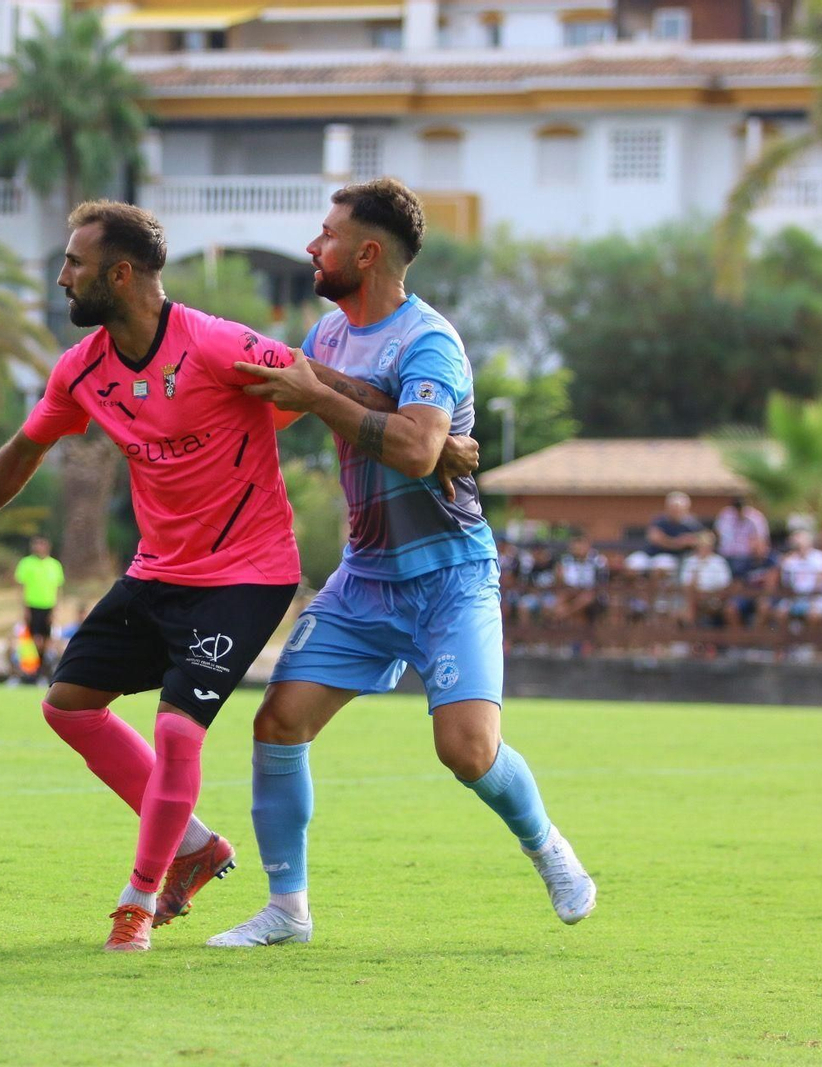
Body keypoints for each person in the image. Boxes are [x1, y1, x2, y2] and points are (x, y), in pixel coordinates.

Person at [0, 198, 478, 952]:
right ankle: (198, 845)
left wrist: (439, 442)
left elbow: (322, 381)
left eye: (74, 265)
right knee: (69, 706)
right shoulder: (81, 371)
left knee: (178, 729)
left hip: (248, 572)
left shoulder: (214, 344)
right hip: (159, 571)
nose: (61, 279)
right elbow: (20, 451)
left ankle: (136, 904)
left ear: (120, 274)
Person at [206, 178, 595, 949]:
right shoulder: (326, 336)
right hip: (364, 577)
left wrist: (320, 397)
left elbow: (420, 449)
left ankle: (548, 846)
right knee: (278, 723)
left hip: (450, 577)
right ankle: (288, 909)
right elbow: (280, 398)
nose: (314, 249)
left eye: (326, 235)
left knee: (467, 749)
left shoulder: (430, 342)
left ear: (368, 251)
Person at [13, 536, 65, 680]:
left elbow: (58, 589)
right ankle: (32, 671)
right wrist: (24, 609)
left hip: (48, 606)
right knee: (34, 640)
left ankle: (43, 670)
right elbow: (21, 587)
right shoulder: (26, 563)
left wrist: (55, 610)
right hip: (32, 606)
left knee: (47, 640)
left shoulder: (54, 565)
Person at [775, 530, 822, 630]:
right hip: (794, 597)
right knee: (780, 613)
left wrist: (810, 599)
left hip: (816, 598)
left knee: (813, 615)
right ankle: (785, 643)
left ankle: (811, 643)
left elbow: (821, 580)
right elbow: (786, 583)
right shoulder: (789, 559)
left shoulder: (820, 557)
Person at [677, 531, 733, 628]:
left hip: (714, 598)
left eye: (706, 545)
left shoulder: (719, 562)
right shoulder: (690, 561)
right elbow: (685, 584)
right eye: (701, 545)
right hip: (694, 597)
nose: (703, 548)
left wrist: (707, 594)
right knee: (686, 605)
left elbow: (725, 585)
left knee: (692, 604)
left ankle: (692, 633)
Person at [714, 496, 770, 575]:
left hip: (747, 556)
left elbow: (761, 539)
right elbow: (718, 533)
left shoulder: (755, 518)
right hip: (726, 555)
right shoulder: (726, 515)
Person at [645, 491, 704, 561]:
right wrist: (678, 542)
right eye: (673, 508)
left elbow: (704, 538)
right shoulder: (660, 520)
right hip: (653, 553)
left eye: (679, 508)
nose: (676, 511)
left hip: (680, 557)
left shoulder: (692, 523)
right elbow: (655, 538)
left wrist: (693, 540)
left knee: (662, 564)